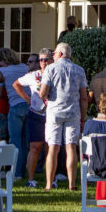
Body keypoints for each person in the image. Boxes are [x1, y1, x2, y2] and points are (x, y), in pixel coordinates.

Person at [39, 42, 88, 191]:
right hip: (73, 112)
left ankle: (49, 183)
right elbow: (84, 97)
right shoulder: (79, 70)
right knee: (70, 147)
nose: (52, 56)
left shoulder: (50, 69)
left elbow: (42, 93)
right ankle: (72, 184)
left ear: (60, 54)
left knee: (53, 148)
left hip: (54, 112)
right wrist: (83, 118)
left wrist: (45, 94)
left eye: (54, 53)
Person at [13, 49, 51, 185]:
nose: (44, 62)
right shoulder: (33, 75)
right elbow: (16, 84)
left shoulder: (56, 74)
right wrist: (27, 98)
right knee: (35, 147)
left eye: (46, 59)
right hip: (36, 114)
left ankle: (50, 179)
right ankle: (31, 178)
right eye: (41, 60)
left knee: (50, 148)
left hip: (52, 114)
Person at [0, 48, 29, 152]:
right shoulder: (24, 67)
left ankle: (15, 168)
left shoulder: (2, 71)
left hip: (15, 106)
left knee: (15, 142)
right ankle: (23, 167)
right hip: (28, 104)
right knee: (25, 141)